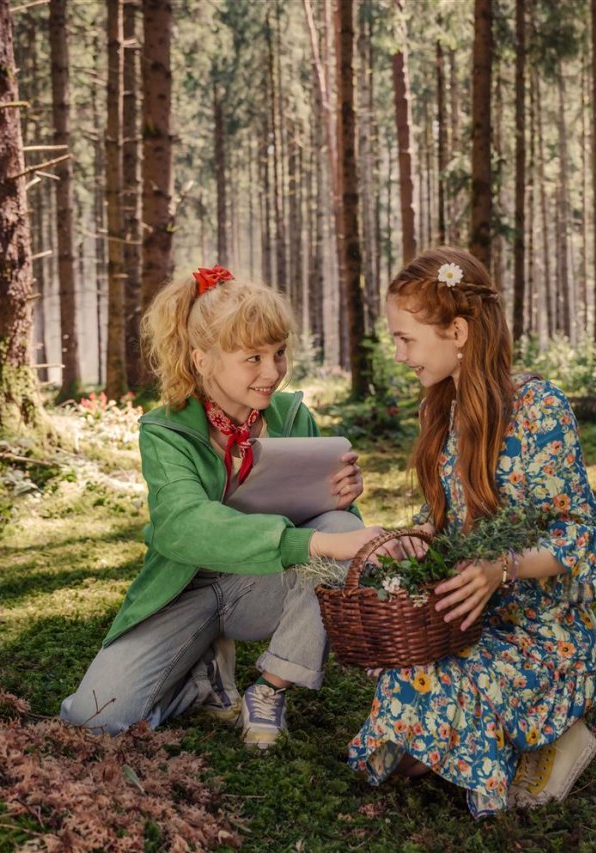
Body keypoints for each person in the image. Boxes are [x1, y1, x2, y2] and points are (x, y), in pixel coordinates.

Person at [346, 247, 596, 816]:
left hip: (547, 639)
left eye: (406, 338)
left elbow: (584, 537)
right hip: (472, 629)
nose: (399, 355)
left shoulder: (538, 407)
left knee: (432, 697)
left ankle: (560, 735)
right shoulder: (440, 409)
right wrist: (413, 541)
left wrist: (503, 569)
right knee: (404, 719)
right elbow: (451, 523)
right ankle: (488, 743)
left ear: (458, 331)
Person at [61, 265, 385, 749]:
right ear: (203, 359)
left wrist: (341, 501)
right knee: (93, 719)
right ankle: (201, 680)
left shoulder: (293, 416)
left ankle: (270, 689)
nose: (272, 372)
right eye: (252, 358)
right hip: (183, 590)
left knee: (338, 524)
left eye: (278, 354)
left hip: (263, 586)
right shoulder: (166, 430)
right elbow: (183, 527)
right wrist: (313, 539)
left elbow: (336, 533)